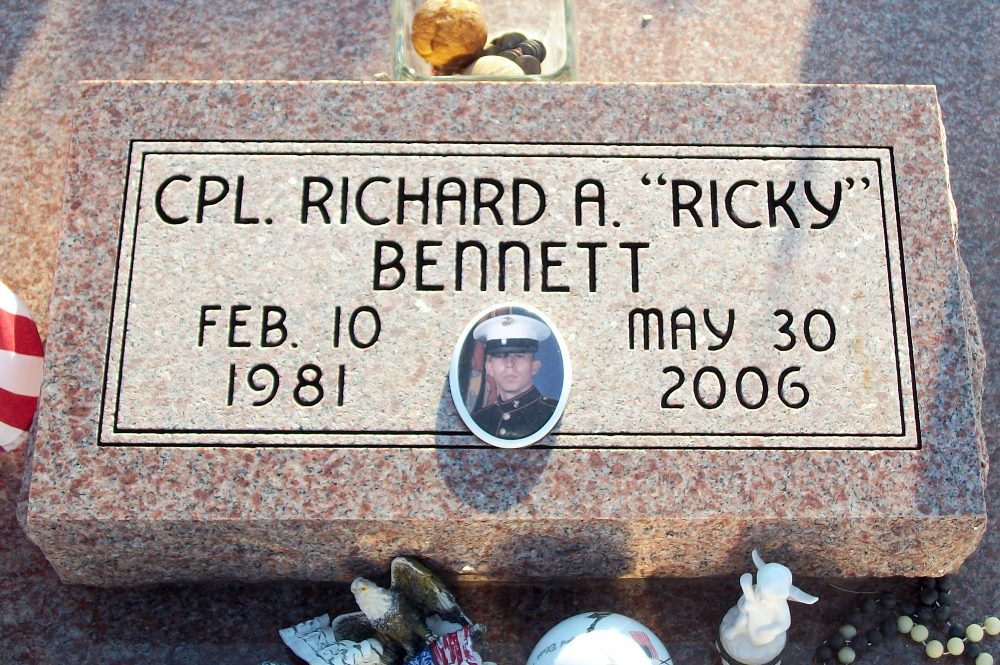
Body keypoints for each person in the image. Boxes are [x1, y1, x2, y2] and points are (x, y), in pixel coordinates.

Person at [470, 313, 558, 440]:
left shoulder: (551, 413)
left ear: (534, 366)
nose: (509, 364)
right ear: (489, 367)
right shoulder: (479, 420)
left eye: (519, 355)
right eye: (500, 356)